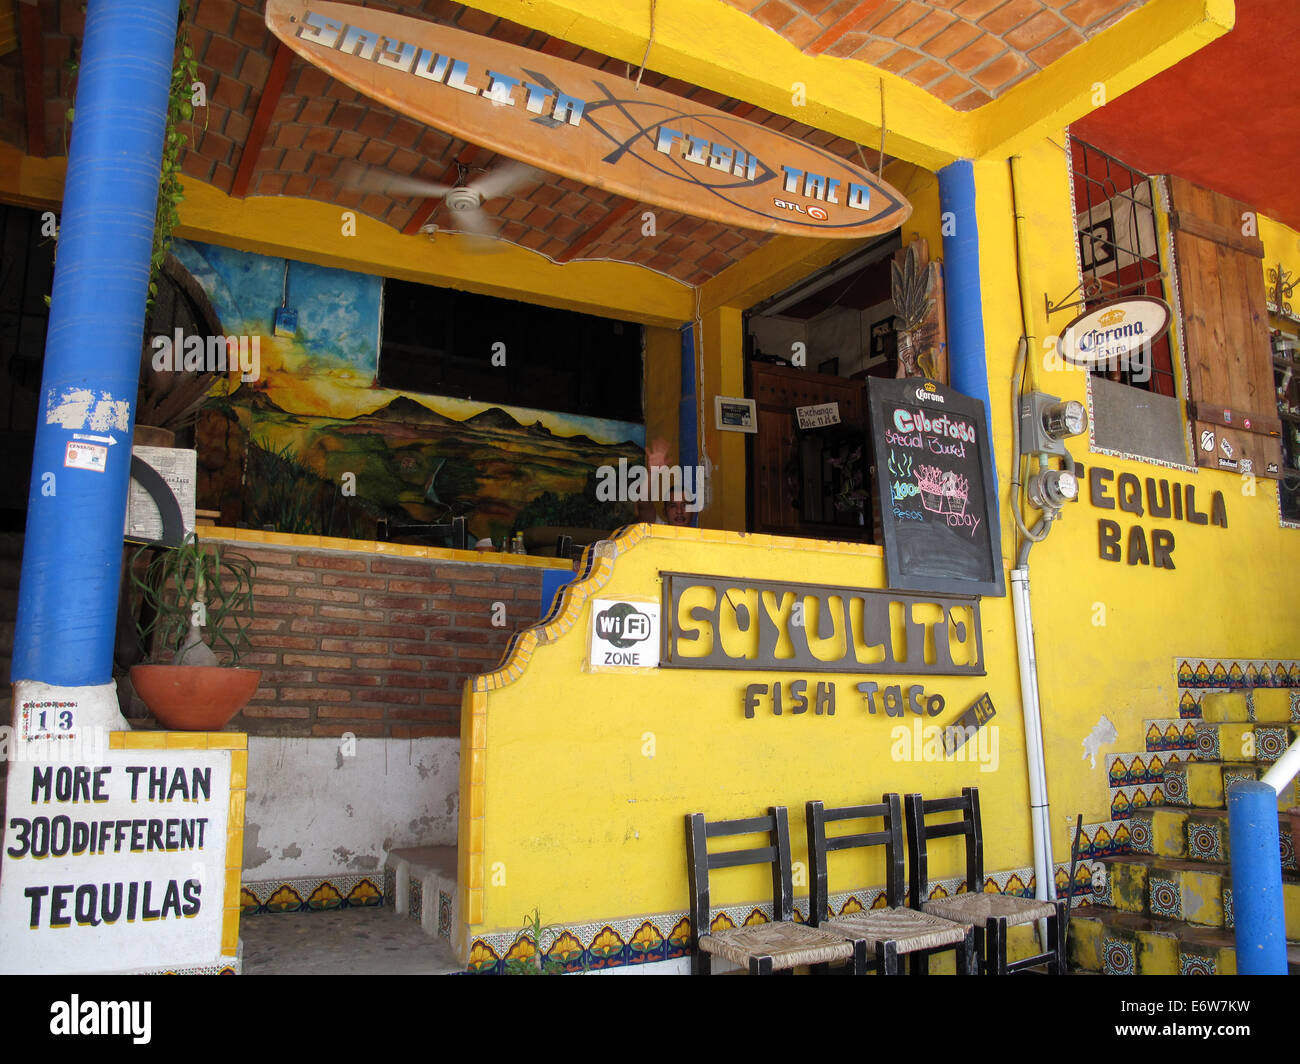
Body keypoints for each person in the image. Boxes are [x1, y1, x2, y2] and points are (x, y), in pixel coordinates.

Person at [635, 438, 693, 526]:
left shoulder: (701, 537)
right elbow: (644, 503)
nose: (679, 511)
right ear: (664, 512)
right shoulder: (657, 528)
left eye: (684, 505)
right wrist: (652, 473)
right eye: (673, 506)